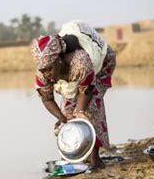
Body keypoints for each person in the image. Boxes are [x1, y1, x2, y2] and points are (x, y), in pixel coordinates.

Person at [32, 21, 116, 169]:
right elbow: (47, 97)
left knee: (90, 109)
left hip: (102, 65)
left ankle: (95, 159)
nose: (46, 74)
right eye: (43, 70)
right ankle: (74, 155)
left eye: (49, 69)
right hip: (73, 76)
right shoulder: (43, 71)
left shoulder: (79, 62)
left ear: (58, 60)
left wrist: (80, 111)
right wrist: (61, 117)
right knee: (67, 112)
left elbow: (87, 90)